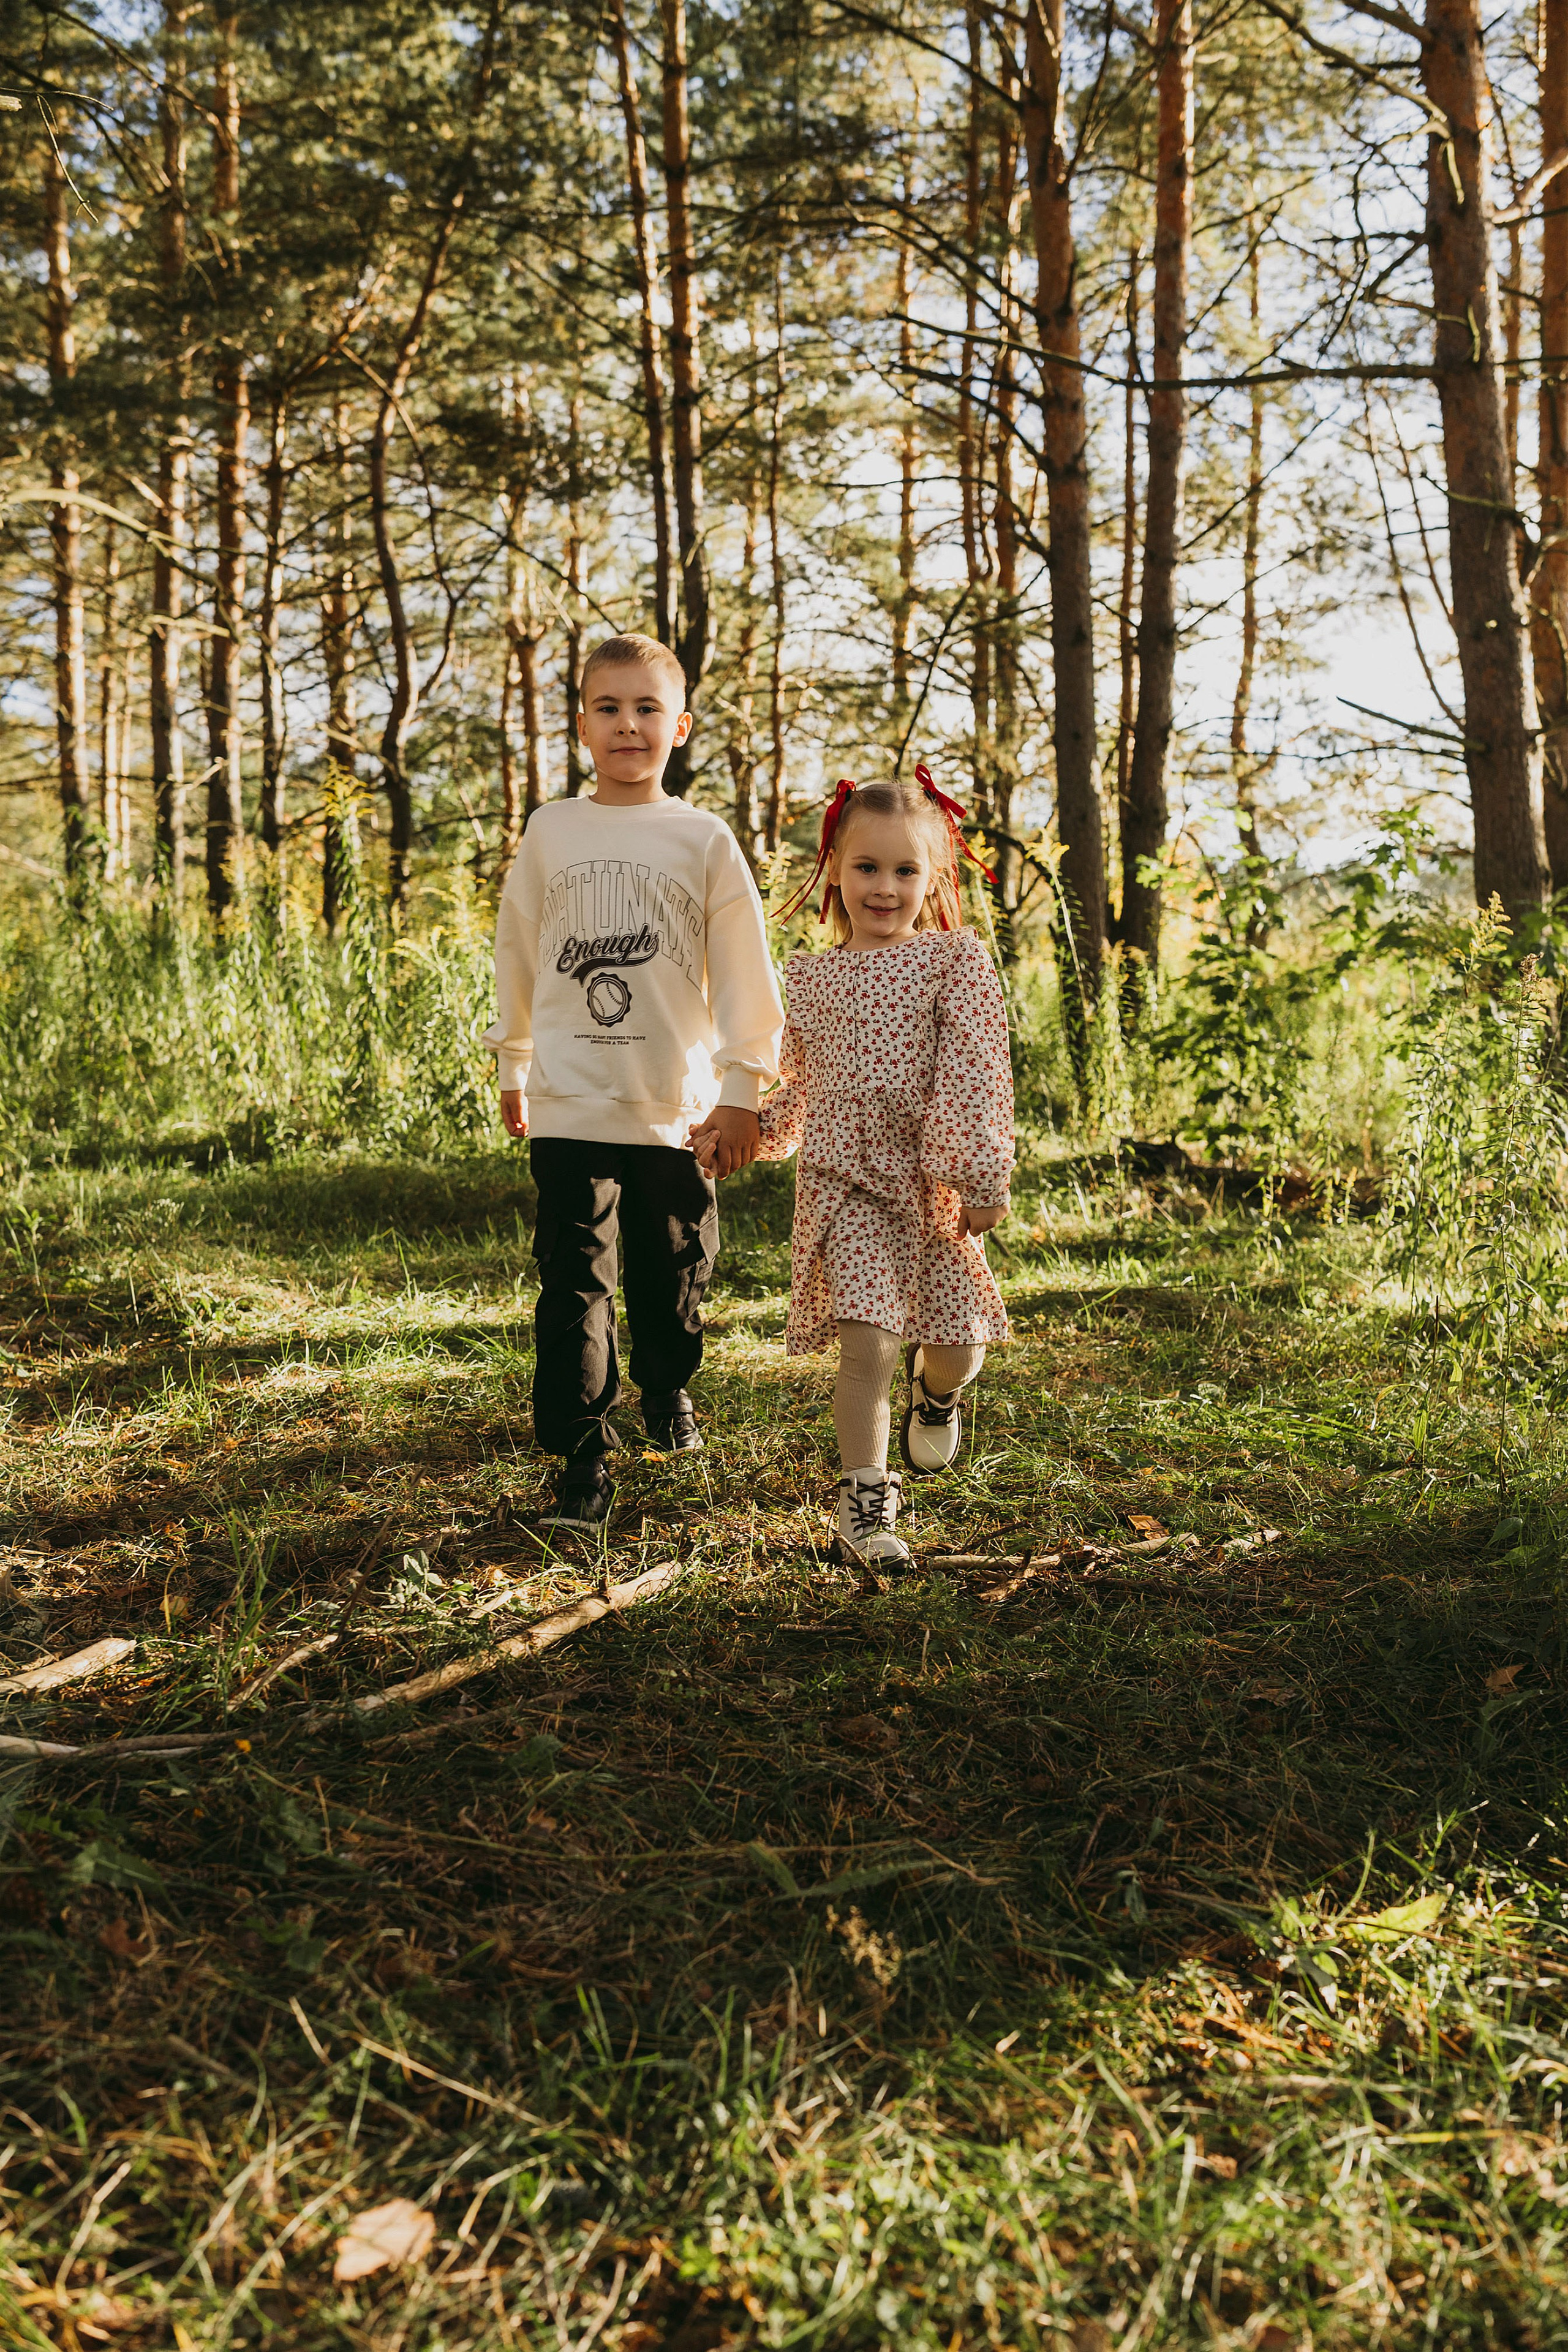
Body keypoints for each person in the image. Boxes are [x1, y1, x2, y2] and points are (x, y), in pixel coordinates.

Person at [484, 632, 783, 1533]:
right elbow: (519, 950)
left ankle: (667, 1390)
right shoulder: (553, 829)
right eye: (609, 708)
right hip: (571, 1098)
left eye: (647, 708)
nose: (628, 724)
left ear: (680, 726)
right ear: (583, 727)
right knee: (573, 1278)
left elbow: (743, 971)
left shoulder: (703, 838)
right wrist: (514, 1058)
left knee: (673, 1271)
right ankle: (581, 1452)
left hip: (676, 1105)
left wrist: (742, 1088)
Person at [692, 769, 1013, 1567]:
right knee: (868, 1346)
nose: (885, 886)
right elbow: (801, 1089)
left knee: (958, 1346)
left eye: (906, 871)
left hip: (932, 1187)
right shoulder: (805, 978)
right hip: (846, 1191)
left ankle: (937, 1395)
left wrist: (981, 1175)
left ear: (932, 878)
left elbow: (978, 1067)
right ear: (834, 867)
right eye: (867, 867)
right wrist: (748, 1135)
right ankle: (865, 1507)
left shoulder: (952, 963)